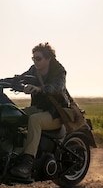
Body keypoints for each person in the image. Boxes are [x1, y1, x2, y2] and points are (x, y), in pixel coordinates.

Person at [10, 42, 69, 179]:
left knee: (34, 120)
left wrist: (40, 89)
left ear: (48, 58)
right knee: (14, 115)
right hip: (38, 109)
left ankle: (27, 164)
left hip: (56, 113)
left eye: (38, 58)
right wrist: (9, 83)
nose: (35, 61)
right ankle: (14, 154)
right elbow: (21, 78)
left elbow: (57, 87)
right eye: (33, 58)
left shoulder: (59, 70)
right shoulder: (33, 70)